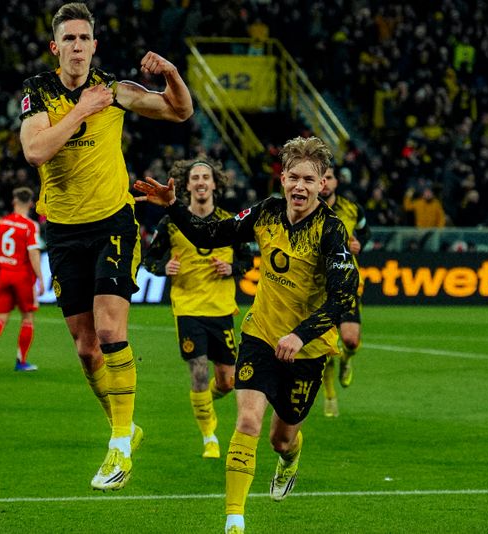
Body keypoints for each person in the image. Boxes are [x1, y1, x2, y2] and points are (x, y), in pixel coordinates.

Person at [134, 136, 359, 534]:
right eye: (293, 177)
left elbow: (342, 298)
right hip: (260, 335)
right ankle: (234, 520)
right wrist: (173, 207)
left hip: (307, 350)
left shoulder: (332, 232)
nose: (300, 186)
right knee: (248, 421)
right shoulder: (267, 211)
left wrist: (300, 335)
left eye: (309, 179)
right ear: (283, 178)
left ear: (323, 183)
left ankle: (289, 460)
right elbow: (209, 234)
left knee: (280, 440)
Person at [18, 2, 193, 491]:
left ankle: (119, 444)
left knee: (111, 328)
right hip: (64, 230)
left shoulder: (113, 90)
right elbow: (35, 151)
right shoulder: (37, 92)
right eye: (68, 39)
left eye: (84, 38)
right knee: (86, 348)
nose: (77, 46)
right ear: (55, 47)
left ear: (95, 45)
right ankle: (124, 425)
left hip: (113, 221)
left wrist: (172, 74)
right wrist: (81, 110)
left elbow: (180, 110)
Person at [143, 158, 253, 459]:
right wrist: (163, 267)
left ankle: (202, 402)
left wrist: (232, 267)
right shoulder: (171, 222)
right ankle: (209, 437)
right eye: (195, 178)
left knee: (227, 381)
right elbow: (149, 260)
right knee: (199, 372)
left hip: (221, 309)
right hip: (188, 308)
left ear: (215, 183)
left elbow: (247, 260)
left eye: (206, 177)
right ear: (187, 185)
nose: (201, 182)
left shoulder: (231, 222)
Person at [320, 164, 371, 417]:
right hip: (318, 284)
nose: (325, 182)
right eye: (321, 178)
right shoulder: (307, 208)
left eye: (329, 177)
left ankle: (347, 360)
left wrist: (360, 244)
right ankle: (330, 396)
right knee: (325, 345)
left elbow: (364, 232)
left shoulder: (353, 209)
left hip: (347, 279)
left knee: (350, 340)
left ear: (336, 182)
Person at [0, 187, 45, 372]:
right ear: (31, 204)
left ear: (14, 201)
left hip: (4, 273)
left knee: (1, 317)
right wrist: (40, 279)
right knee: (27, 318)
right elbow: (33, 254)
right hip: (22, 275)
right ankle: (21, 361)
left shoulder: (2, 222)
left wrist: (1, 268)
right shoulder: (30, 225)